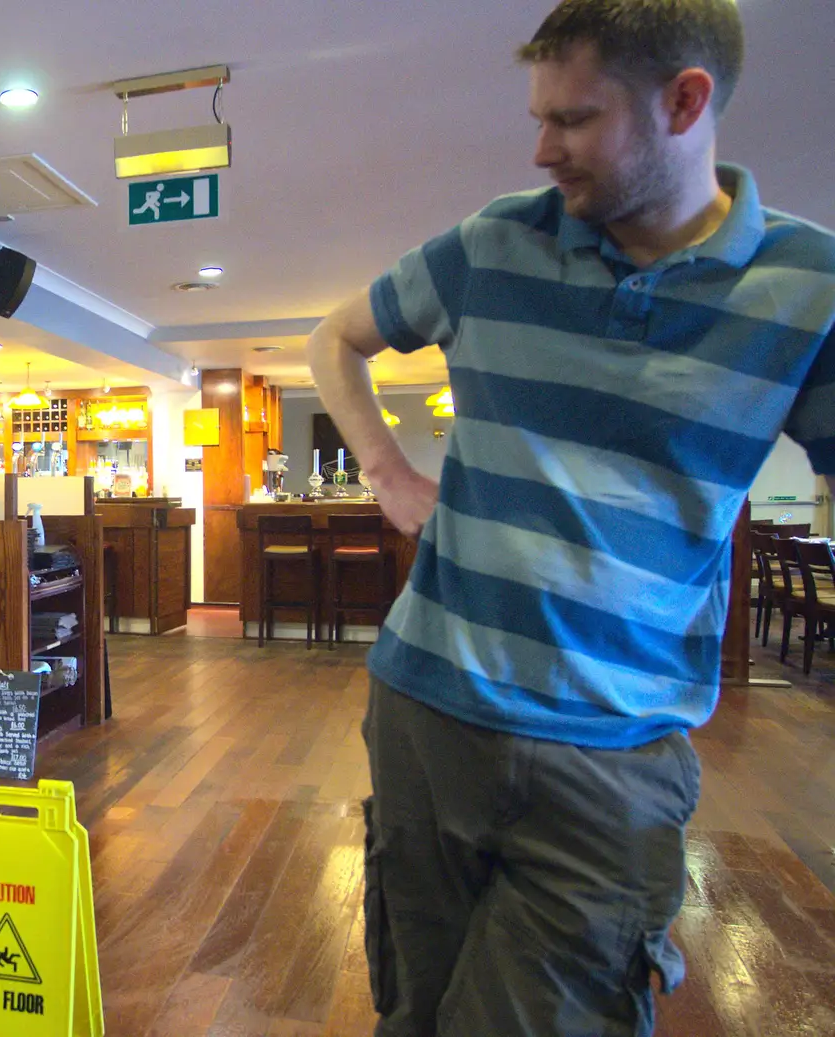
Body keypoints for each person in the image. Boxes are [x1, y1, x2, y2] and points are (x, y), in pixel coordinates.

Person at [307, 1, 835, 1034]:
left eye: (576, 119)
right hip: (426, 716)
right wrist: (383, 469)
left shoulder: (805, 290)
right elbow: (336, 335)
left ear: (684, 101)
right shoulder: (493, 243)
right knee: (413, 1011)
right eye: (539, 115)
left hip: (613, 754)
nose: (540, 148)